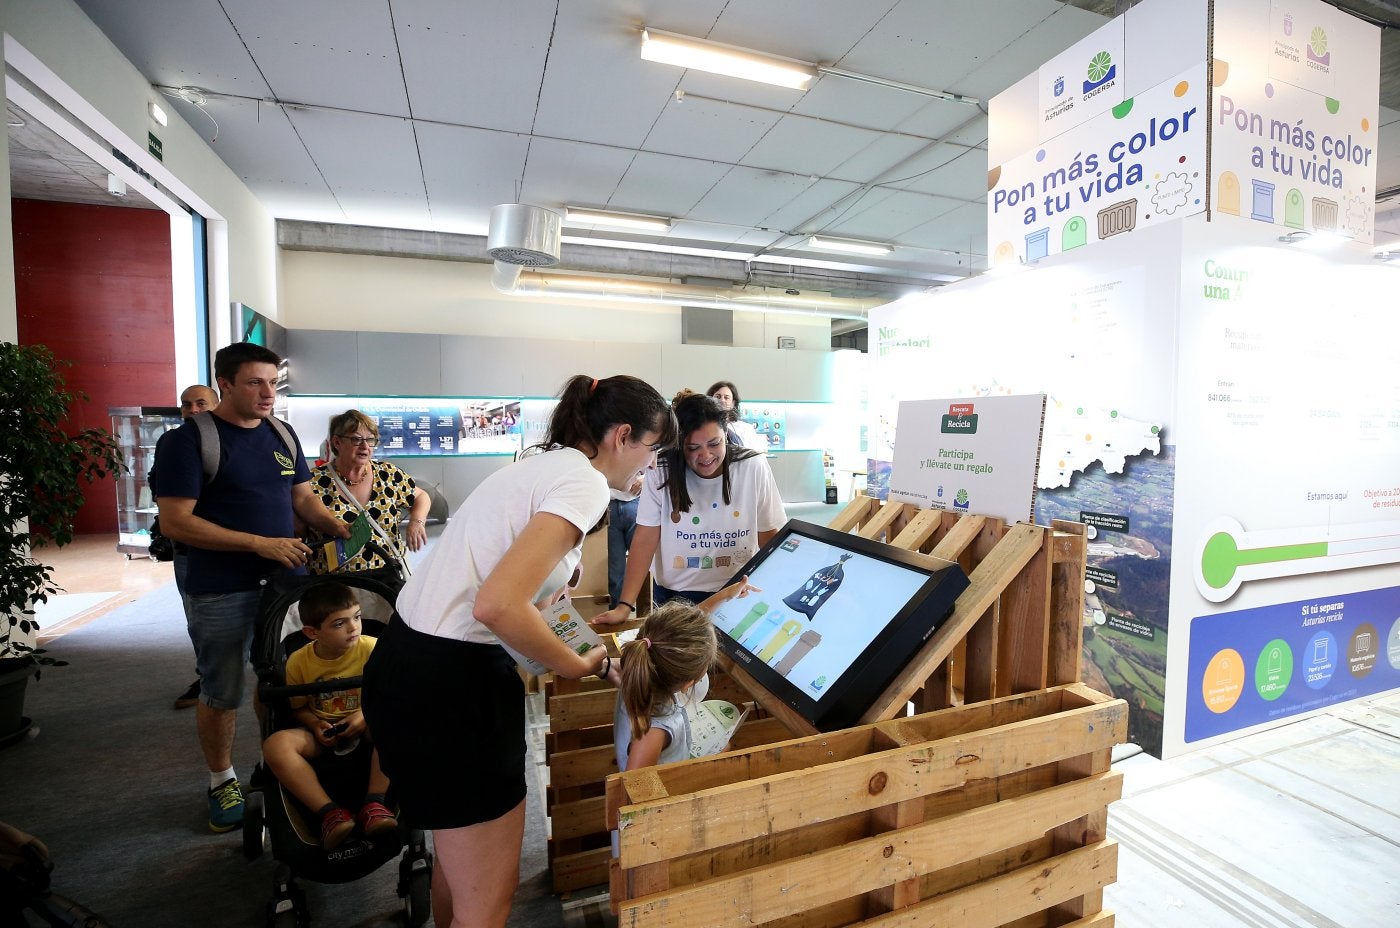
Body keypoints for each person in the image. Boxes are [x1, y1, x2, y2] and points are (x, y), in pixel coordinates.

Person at [362, 373, 674, 928]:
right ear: (622, 436)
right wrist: (575, 664)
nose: (650, 467)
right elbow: (497, 606)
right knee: (488, 904)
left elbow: (519, 598)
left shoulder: (540, 465)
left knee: (458, 869)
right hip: (454, 686)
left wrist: (590, 651)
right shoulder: (585, 484)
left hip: (404, 663)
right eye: (652, 451)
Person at [152, 342, 350, 834]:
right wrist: (260, 544)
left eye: (273, 383)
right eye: (255, 383)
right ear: (225, 383)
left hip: (287, 586)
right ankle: (222, 780)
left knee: (284, 679)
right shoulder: (186, 442)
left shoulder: (281, 434)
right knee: (223, 688)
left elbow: (302, 498)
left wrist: (340, 524)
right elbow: (176, 522)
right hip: (220, 589)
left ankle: (280, 762)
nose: (267, 393)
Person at [598, 391, 785, 621]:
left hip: (738, 591)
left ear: (725, 433)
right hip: (676, 595)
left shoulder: (752, 466)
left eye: (714, 443)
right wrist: (624, 606)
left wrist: (776, 592)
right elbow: (645, 538)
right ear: (679, 444)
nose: (705, 455)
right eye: (692, 448)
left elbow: (769, 535)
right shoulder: (662, 470)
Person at [263, 582, 397, 849]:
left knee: (395, 722)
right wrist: (315, 724)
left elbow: (391, 697)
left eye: (357, 617)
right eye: (339, 624)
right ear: (312, 632)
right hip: (324, 730)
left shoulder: (373, 648)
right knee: (275, 745)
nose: (353, 628)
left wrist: (364, 715)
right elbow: (299, 707)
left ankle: (375, 804)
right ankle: (330, 814)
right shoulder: (299, 662)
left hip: (369, 723)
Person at [612, 582, 756, 774]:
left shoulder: (637, 672)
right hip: (666, 792)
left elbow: (679, 632)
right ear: (688, 684)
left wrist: (725, 595)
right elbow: (631, 789)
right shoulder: (655, 730)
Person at [155, 384, 220, 710]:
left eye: (200, 403)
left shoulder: (227, 441)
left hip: (233, 552)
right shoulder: (172, 443)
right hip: (189, 551)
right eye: (186, 404)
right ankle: (206, 678)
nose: (192, 410)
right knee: (198, 619)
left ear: (216, 405)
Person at [308, 409, 431, 573]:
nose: (365, 446)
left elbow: (421, 496)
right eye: (356, 440)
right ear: (337, 442)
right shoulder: (314, 481)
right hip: (335, 588)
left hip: (386, 581)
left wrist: (417, 522)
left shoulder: (387, 474)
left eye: (370, 440)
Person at [606, 470, 644, 610]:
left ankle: (648, 615)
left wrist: (645, 479)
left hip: (636, 502)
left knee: (646, 566)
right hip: (608, 504)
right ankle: (617, 615)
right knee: (614, 570)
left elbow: (660, 464)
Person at [707, 380, 766, 452]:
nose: (722, 400)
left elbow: (756, 455)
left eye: (726, 397)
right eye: (718, 396)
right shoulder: (704, 427)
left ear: (733, 403)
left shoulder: (746, 429)